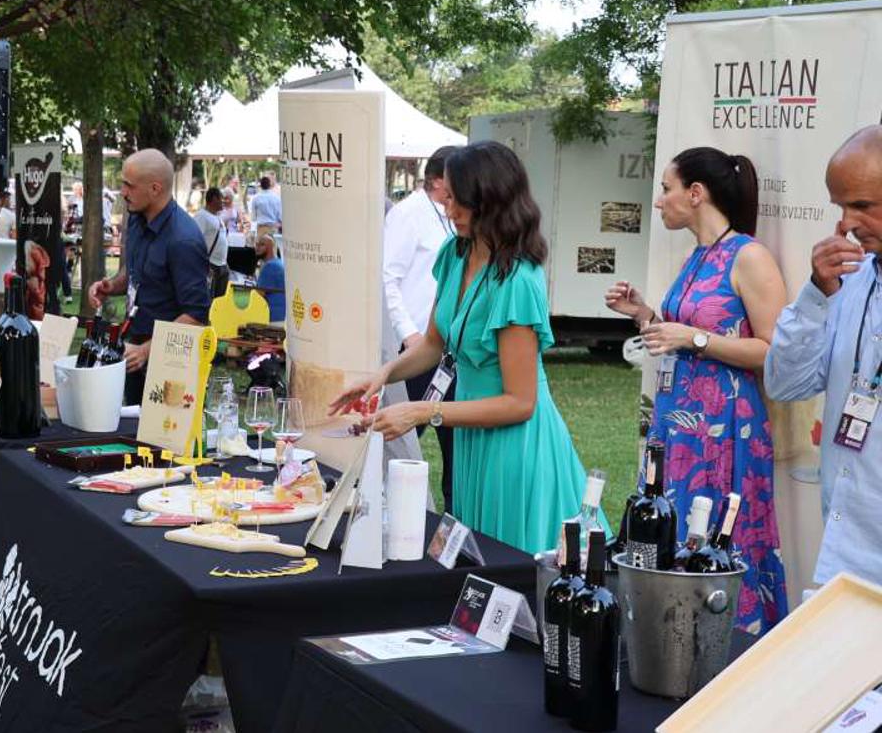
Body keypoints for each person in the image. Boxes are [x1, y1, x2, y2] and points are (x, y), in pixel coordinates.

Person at [330, 141, 598, 555]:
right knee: (474, 562)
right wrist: (382, 375)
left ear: (490, 200)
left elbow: (520, 403)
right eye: (447, 197)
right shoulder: (455, 253)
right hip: (473, 435)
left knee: (508, 565)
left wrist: (423, 411)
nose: (448, 208)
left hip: (515, 448)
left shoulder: (518, 281)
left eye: (458, 200)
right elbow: (434, 343)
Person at [605, 146, 788, 633]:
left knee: (723, 541)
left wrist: (695, 338)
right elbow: (685, 335)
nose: (659, 200)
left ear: (696, 193)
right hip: (680, 425)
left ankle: (736, 641)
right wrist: (645, 315)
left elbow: (773, 350)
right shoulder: (697, 255)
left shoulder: (749, 256)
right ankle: (674, 642)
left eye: (666, 189)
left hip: (725, 430)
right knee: (675, 529)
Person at [766, 125, 882, 590]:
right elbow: (785, 383)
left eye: (863, 205)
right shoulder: (849, 281)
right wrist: (817, 293)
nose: (847, 223)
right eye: (840, 207)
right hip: (845, 550)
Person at [88, 149, 210, 403]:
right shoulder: (136, 219)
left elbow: (196, 316)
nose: (122, 192)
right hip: (134, 349)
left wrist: (147, 350)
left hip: (171, 364)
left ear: (155, 189)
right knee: (131, 424)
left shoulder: (183, 240)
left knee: (162, 429)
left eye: (129, 185)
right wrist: (111, 286)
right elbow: (134, 272)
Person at [384, 146, 458, 507]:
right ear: (439, 180)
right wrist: (409, 334)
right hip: (418, 349)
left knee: (454, 446)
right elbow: (387, 278)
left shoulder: (455, 218)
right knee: (402, 441)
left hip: (452, 352)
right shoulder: (407, 214)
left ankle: (455, 514)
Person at [194, 187, 229, 298]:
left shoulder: (217, 217)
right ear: (214, 199)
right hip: (211, 265)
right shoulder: (201, 216)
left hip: (222, 265)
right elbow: (195, 241)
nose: (224, 201)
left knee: (219, 301)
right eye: (221, 198)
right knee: (209, 299)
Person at [256, 234, 286, 322]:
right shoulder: (278, 263)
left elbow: (259, 294)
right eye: (257, 244)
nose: (257, 248)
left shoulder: (270, 266)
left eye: (261, 245)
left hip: (272, 316)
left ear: (270, 248)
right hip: (281, 315)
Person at [250, 175, 282, 241]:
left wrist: (252, 231)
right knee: (273, 246)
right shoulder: (276, 198)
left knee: (261, 246)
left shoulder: (256, 198)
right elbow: (280, 216)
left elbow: (253, 218)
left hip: (261, 229)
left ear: (260, 185)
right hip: (273, 228)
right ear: (269, 185)